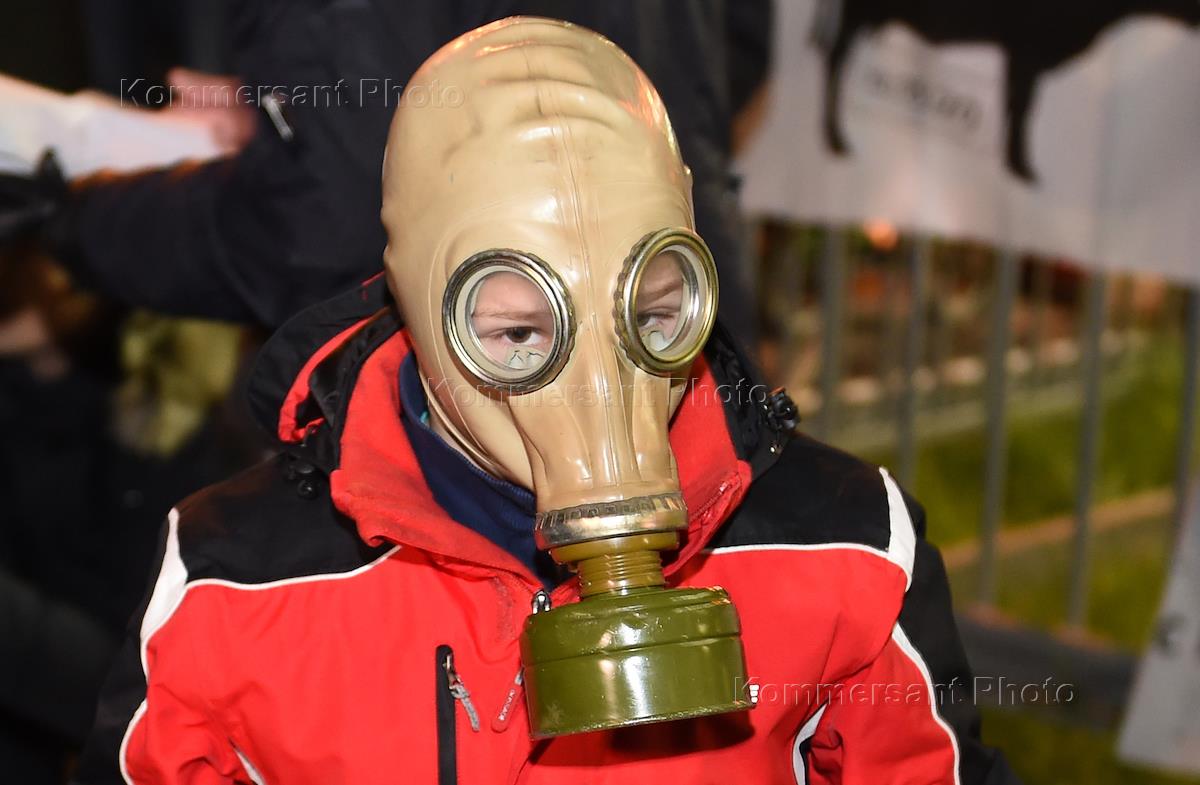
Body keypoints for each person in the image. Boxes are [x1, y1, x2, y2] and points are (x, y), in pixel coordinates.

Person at [76, 19, 1019, 784]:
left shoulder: (846, 550)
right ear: (414, 301)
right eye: (519, 333)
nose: (598, 386)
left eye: (651, 314)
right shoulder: (235, 588)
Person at [0, 1, 766, 342]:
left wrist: (77, 212)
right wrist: (288, 111)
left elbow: (325, 234)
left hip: (498, 420)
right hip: (680, 331)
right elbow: (735, 51)